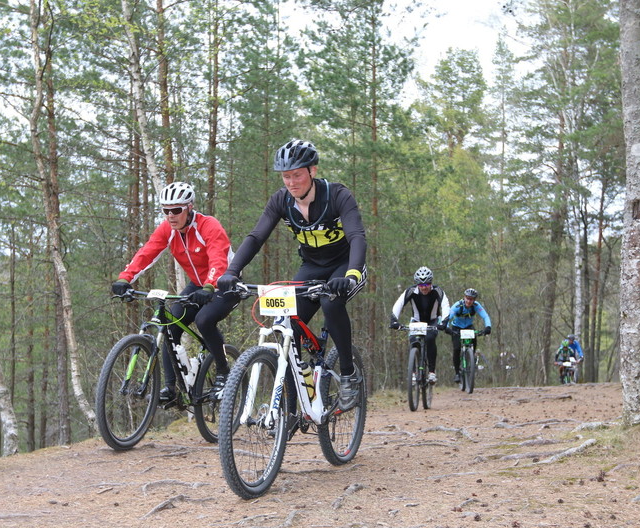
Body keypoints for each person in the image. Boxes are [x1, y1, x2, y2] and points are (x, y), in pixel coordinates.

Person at [217, 139, 367, 411]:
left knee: (330, 303)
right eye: (286, 176)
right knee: (285, 320)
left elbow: (357, 235)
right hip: (311, 266)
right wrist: (232, 271)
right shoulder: (281, 200)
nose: (291, 181)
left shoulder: (337, 195)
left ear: (313, 170)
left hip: (344, 266)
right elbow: (256, 237)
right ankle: (298, 390)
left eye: (297, 174)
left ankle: (348, 373)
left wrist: (353, 274)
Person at [111, 182, 238, 403]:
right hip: (197, 285)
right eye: (166, 210)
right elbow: (147, 253)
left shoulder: (208, 225)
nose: (171, 215)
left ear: (189, 207)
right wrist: (125, 278)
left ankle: (223, 370)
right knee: (169, 324)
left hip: (225, 283)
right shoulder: (167, 230)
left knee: (204, 319)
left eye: (176, 210)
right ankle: (171, 389)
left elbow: (218, 258)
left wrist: (210, 286)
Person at [389, 266, 450, 384]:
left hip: (433, 321)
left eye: (426, 285)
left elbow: (445, 305)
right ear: (417, 284)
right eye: (421, 285)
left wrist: (444, 322)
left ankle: (432, 372)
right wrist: (394, 320)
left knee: (430, 338)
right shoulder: (411, 291)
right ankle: (413, 373)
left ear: (431, 283)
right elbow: (399, 304)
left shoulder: (438, 291)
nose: (424, 288)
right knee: (413, 340)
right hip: (417, 321)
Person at [441, 288, 492, 383]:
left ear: (474, 300)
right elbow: (447, 317)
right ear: (464, 297)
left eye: (471, 299)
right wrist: (447, 328)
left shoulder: (476, 306)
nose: (469, 301)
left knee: (474, 344)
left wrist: (488, 327)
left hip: (468, 327)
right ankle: (457, 373)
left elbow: (485, 316)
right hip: (456, 328)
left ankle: (471, 361)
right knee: (456, 349)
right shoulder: (457, 306)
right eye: (467, 298)